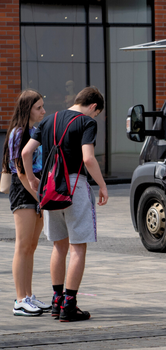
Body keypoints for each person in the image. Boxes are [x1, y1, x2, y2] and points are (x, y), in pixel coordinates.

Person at [22, 86, 108, 322]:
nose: (95, 118)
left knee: (59, 247)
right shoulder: (86, 123)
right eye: (96, 113)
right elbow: (88, 158)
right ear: (93, 106)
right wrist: (102, 185)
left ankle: (57, 301)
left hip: (50, 188)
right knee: (78, 247)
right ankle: (70, 305)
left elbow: (26, 152)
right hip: (74, 186)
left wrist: (32, 179)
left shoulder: (48, 121)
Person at [2, 90, 51, 316]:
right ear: (27, 109)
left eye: (42, 106)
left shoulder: (35, 131)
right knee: (22, 246)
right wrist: (39, 197)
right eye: (39, 107)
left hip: (36, 189)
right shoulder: (18, 133)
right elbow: (21, 172)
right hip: (25, 191)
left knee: (31, 247)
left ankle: (28, 296)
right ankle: (20, 299)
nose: (43, 111)